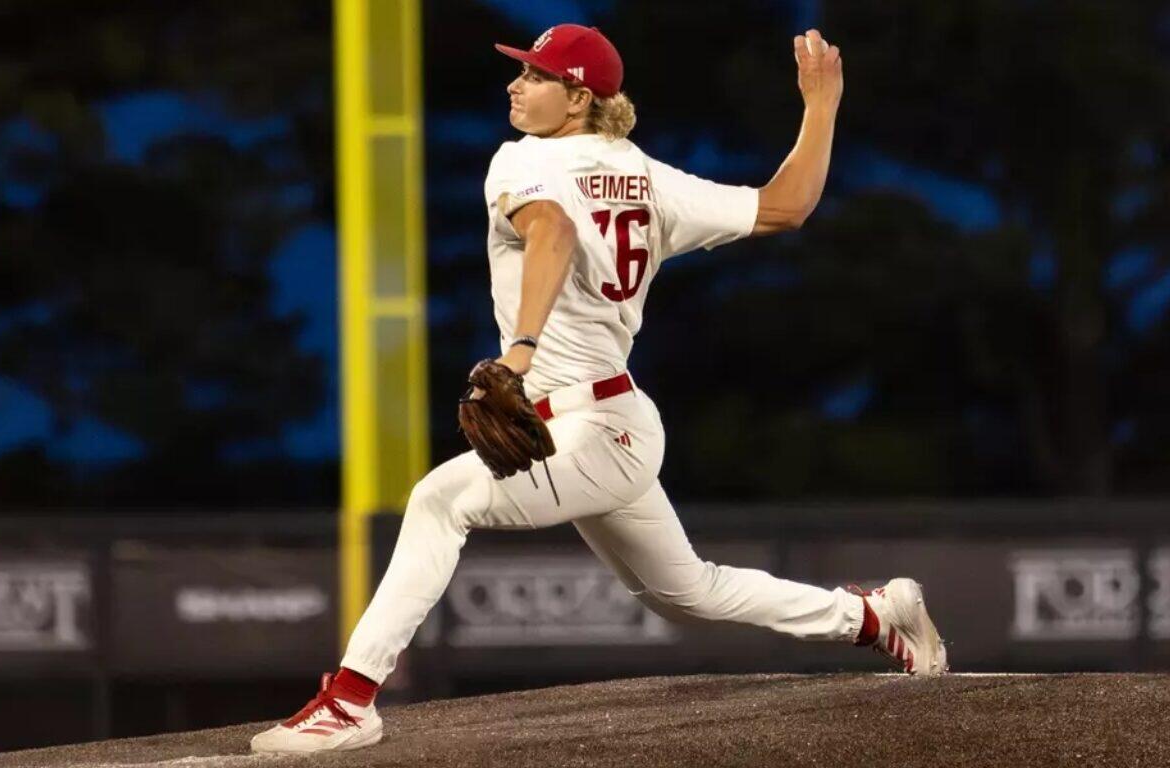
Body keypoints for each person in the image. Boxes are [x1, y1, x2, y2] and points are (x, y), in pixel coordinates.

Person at [251, 23, 946, 755]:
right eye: (520, 72)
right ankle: (873, 617)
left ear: (578, 96)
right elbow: (786, 206)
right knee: (690, 591)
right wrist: (822, 106)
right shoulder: (649, 176)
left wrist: (517, 355)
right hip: (611, 420)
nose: (516, 86)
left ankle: (350, 701)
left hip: (589, 428)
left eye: (537, 76)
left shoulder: (522, 161)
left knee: (437, 502)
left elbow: (551, 230)